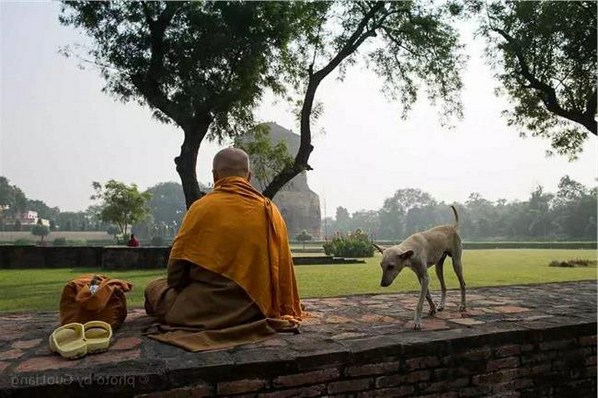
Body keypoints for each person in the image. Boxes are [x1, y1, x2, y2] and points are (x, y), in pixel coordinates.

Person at [143, 147, 303, 351]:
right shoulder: (271, 211)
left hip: (202, 311)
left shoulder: (201, 208)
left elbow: (175, 276)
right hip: (258, 310)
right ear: (249, 176)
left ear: (214, 175)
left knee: (154, 287)